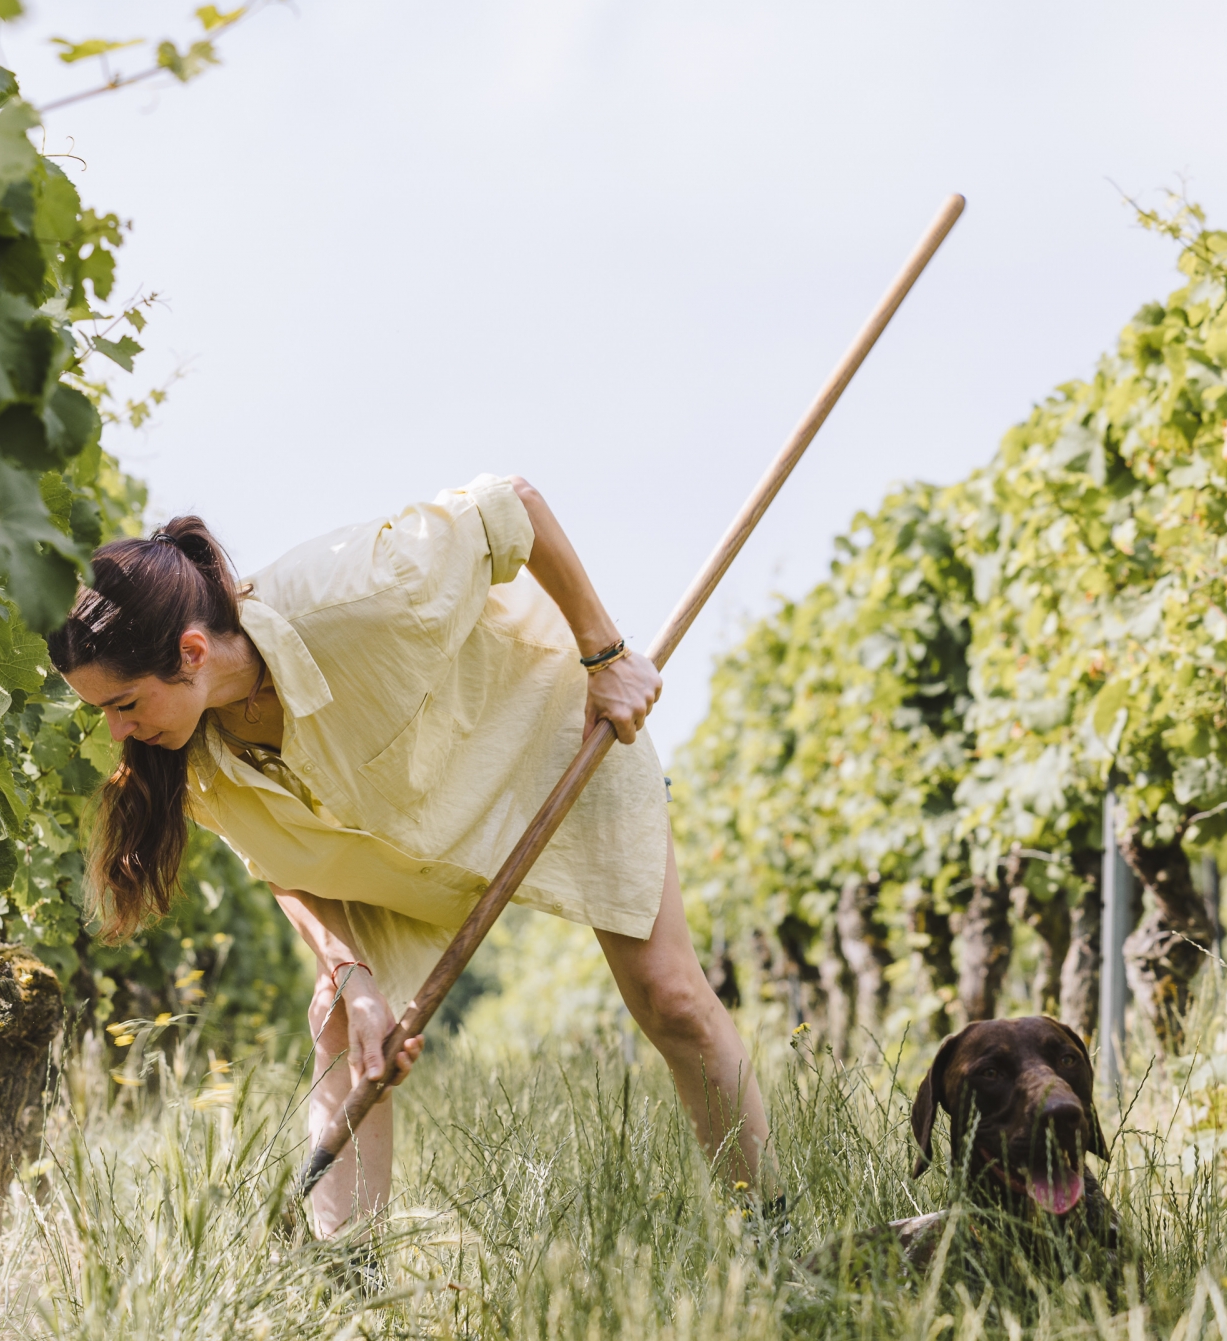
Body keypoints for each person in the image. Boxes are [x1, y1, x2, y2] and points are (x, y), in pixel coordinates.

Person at [47, 474, 775, 1235]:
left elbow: (512, 505)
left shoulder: (357, 591)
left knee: (672, 998)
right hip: (398, 848)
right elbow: (282, 868)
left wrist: (606, 654)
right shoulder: (189, 757)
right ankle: (347, 1283)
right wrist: (353, 976)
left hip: (553, 743)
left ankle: (771, 1232)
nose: (116, 734)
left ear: (191, 652)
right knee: (340, 1016)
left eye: (122, 704)